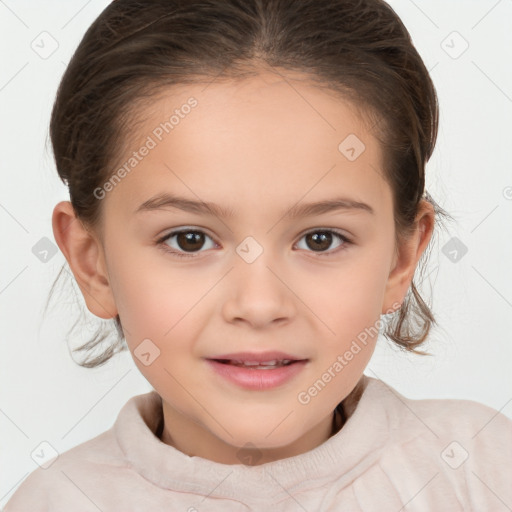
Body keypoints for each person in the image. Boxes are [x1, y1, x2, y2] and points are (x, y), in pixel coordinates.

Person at [5, 0, 511, 510]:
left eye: (321, 239)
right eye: (189, 239)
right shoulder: (54, 502)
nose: (260, 304)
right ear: (92, 262)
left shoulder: (481, 469)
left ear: (402, 258)